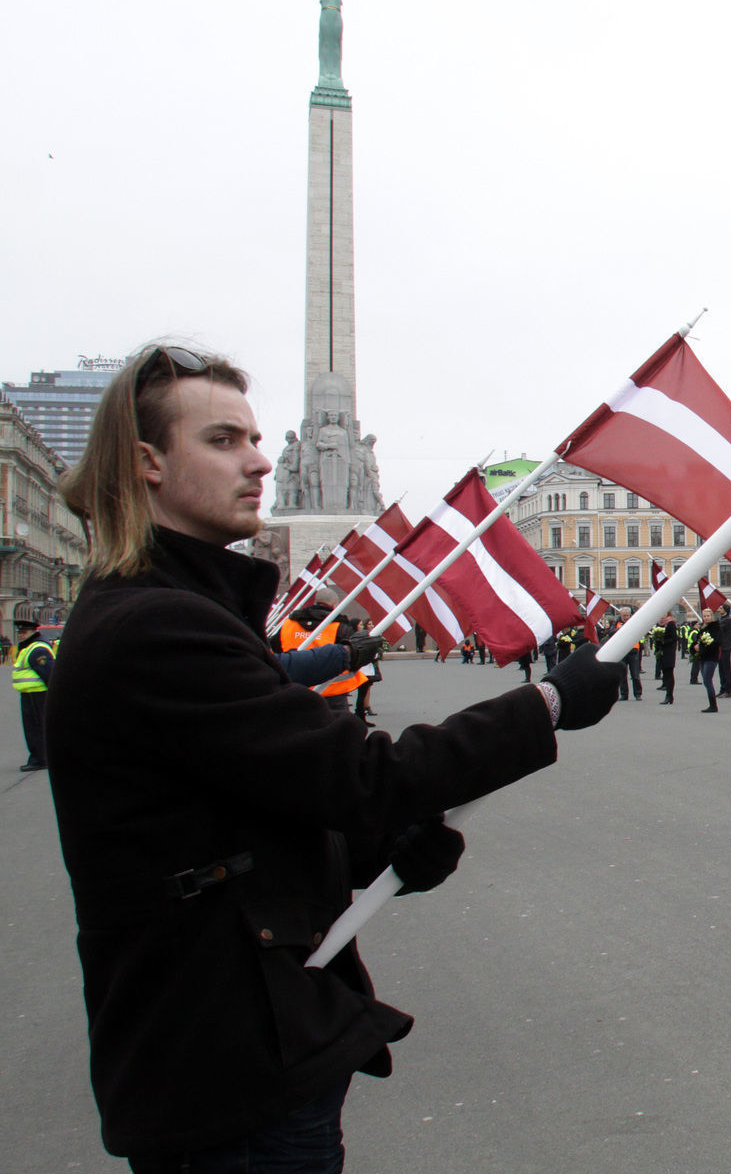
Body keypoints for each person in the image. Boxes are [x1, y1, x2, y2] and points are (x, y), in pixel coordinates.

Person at [42, 344, 626, 1168]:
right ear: (146, 462)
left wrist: (374, 853)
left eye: (252, 438)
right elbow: (361, 777)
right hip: (228, 1060)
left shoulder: (167, 611)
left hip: (230, 1044)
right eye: (221, 440)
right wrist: (549, 703)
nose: (256, 461)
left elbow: (241, 807)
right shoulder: (154, 627)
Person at [12, 615, 55, 772]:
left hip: (37, 695)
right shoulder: (28, 648)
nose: (21, 635)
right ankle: (38, 757)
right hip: (29, 694)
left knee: (36, 728)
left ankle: (40, 759)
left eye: (24, 632)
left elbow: (49, 673)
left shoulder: (37, 649)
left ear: (32, 632)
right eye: (20, 632)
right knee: (32, 728)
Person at [695, 609, 722, 712]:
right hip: (703, 656)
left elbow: (717, 642)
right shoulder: (702, 627)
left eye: (708, 616)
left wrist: (704, 645)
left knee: (707, 679)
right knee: (706, 681)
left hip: (711, 657)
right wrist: (697, 646)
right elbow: (698, 639)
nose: (706, 618)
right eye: (704, 616)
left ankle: (713, 705)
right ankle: (712, 704)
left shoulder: (715, 627)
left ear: (712, 616)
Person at [712, 605, 731, 698]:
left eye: (721, 608)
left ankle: (728, 689)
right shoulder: (722, 619)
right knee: (721, 668)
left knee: (726, 668)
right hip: (720, 646)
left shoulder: (727, 620)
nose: (719, 609)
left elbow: (718, 628)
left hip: (725, 646)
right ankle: (723, 688)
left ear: (725, 610)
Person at [655, 614, 678, 705]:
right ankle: (668, 695)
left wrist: (663, 641)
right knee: (665, 673)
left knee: (669, 673)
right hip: (661, 651)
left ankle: (669, 695)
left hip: (669, 651)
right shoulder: (659, 624)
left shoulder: (671, 623)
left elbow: (674, 638)